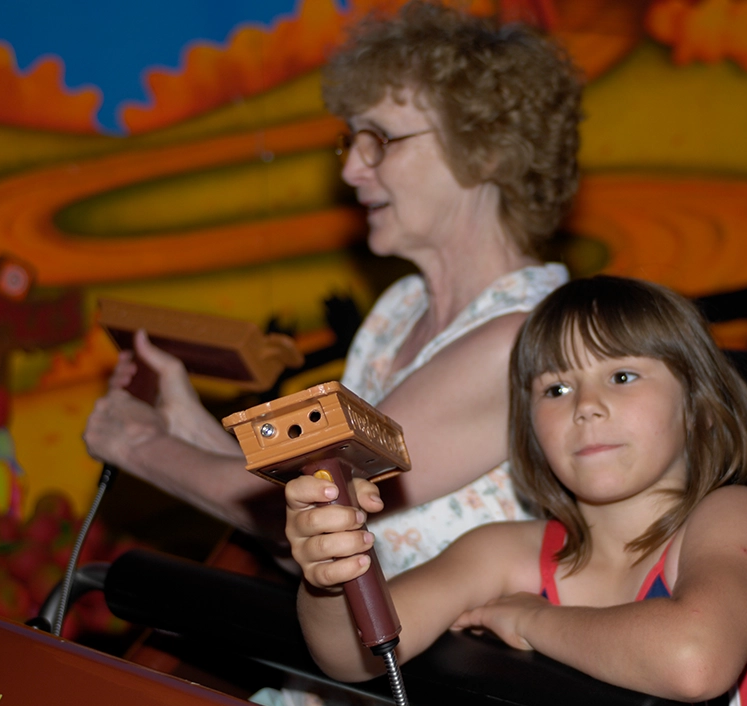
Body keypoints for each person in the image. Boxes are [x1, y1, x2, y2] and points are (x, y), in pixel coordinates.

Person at [81, 0, 581, 579]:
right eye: (353, 142)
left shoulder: (522, 342)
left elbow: (317, 504)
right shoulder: (401, 309)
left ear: (486, 149)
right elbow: (310, 524)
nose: (351, 172)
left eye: (380, 141)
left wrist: (138, 445)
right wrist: (183, 422)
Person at [286, 276, 747, 706]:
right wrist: (331, 574)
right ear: (531, 429)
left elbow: (693, 660)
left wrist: (534, 622)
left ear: (698, 406)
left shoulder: (738, 516)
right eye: (555, 388)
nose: (585, 404)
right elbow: (353, 655)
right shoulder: (505, 554)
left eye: (622, 376)